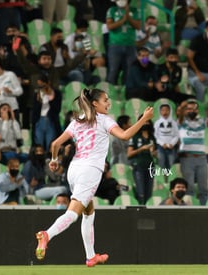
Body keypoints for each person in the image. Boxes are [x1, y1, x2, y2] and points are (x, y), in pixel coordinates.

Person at [34, 88, 154, 267]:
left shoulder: (77, 121)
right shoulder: (104, 120)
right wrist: (143, 119)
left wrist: (53, 160)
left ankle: (91, 256)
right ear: (95, 104)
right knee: (73, 213)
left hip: (74, 170)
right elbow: (125, 135)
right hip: (90, 171)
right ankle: (47, 234)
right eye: (105, 100)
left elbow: (56, 143)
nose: (109, 103)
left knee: (88, 211)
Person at [177, 99, 208, 205]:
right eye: (189, 109)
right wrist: (182, 106)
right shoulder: (181, 121)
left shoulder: (201, 122)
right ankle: (189, 209)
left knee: (204, 188)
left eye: (194, 109)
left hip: (201, 158)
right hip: (187, 157)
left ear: (197, 111)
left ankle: (204, 209)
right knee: (189, 187)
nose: (191, 111)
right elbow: (180, 113)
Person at [106, 0, 140, 85]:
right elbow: (109, 26)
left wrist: (128, 16)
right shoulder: (112, 10)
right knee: (113, 70)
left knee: (129, 70)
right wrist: (122, 20)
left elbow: (138, 26)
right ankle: (109, 93)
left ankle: (126, 92)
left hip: (130, 45)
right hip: (115, 45)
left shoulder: (134, 10)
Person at [187, 20, 208, 101]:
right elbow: (189, 57)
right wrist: (198, 73)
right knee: (201, 88)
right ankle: (200, 108)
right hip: (195, 72)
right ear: (206, 30)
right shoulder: (197, 39)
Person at [127, 118, 156, 205]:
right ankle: (139, 211)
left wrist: (153, 152)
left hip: (151, 166)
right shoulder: (135, 137)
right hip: (138, 166)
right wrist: (141, 149)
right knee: (141, 192)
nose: (146, 123)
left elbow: (155, 154)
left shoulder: (152, 137)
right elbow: (129, 154)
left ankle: (147, 213)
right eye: (144, 121)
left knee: (149, 193)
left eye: (147, 121)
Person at [154, 103, 179, 184]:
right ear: (160, 111)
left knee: (171, 164)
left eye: (167, 110)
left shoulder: (174, 123)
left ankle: (170, 181)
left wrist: (172, 143)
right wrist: (162, 143)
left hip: (171, 147)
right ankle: (162, 181)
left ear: (170, 111)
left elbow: (176, 135)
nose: (165, 112)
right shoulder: (157, 123)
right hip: (161, 147)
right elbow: (155, 135)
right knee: (161, 164)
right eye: (163, 110)